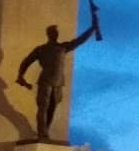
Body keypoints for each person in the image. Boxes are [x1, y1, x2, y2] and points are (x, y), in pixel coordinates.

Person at [15, 11, 99, 142]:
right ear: (49, 35)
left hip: (58, 83)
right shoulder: (41, 49)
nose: (56, 34)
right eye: (54, 33)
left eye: (56, 33)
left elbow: (80, 40)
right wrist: (20, 75)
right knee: (43, 107)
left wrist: (92, 28)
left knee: (52, 109)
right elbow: (26, 61)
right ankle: (42, 134)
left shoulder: (63, 47)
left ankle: (45, 131)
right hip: (45, 81)